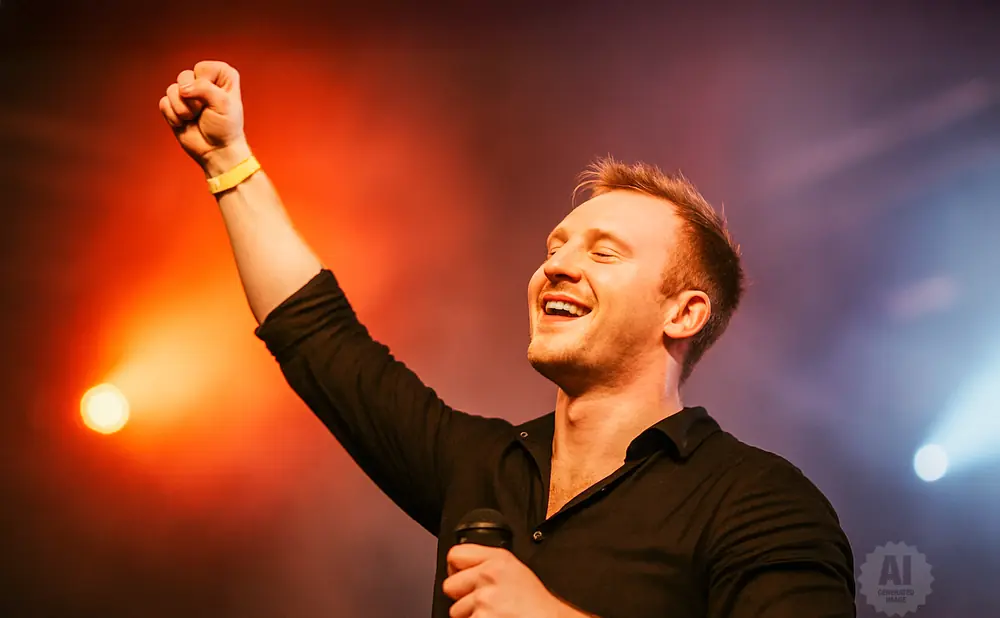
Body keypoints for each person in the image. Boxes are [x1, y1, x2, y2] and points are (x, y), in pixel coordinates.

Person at [159, 60, 857, 618]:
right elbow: (318, 337)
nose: (557, 263)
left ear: (684, 313)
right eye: (556, 245)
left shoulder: (759, 501)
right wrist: (229, 163)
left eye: (604, 252)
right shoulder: (479, 468)